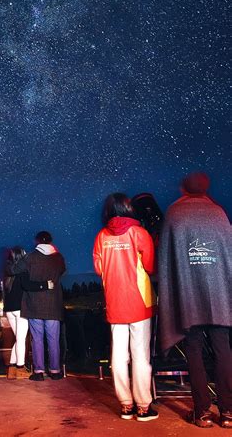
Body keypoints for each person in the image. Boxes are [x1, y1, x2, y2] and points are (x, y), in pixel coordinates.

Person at [158, 172, 232, 429]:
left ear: (184, 188)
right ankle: (228, 411)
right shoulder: (219, 214)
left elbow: (166, 259)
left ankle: (202, 412)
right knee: (223, 350)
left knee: (194, 350)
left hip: (188, 296)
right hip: (220, 296)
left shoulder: (175, 214)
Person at [93, 193, 157, 421]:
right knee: (140, 355)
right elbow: (149, 266)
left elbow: (99, 269)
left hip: (115, 301)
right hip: (139, 301)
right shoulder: (140, 233)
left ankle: (126, 405)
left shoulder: (101, 236)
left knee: (118, 355)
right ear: (128, 208)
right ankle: (143, 406)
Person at [10, 231, 65, 381]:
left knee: (37, 339)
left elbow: (14, 270)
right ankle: (55, 370)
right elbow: (62, 271)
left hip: (34, 304)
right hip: (53, 303)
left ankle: (39, 371)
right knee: (54, 339)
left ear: (37, 242)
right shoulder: (58, 257)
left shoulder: (31, 257)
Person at [4, 246, 54, 379]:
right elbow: (28, 286)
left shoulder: (8, 273)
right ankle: (20, 368)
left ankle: (12, 368)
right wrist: (45, 285)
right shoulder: (22, 271)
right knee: (21, 339)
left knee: (18, 338)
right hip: (20, 309)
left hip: (9, 310)